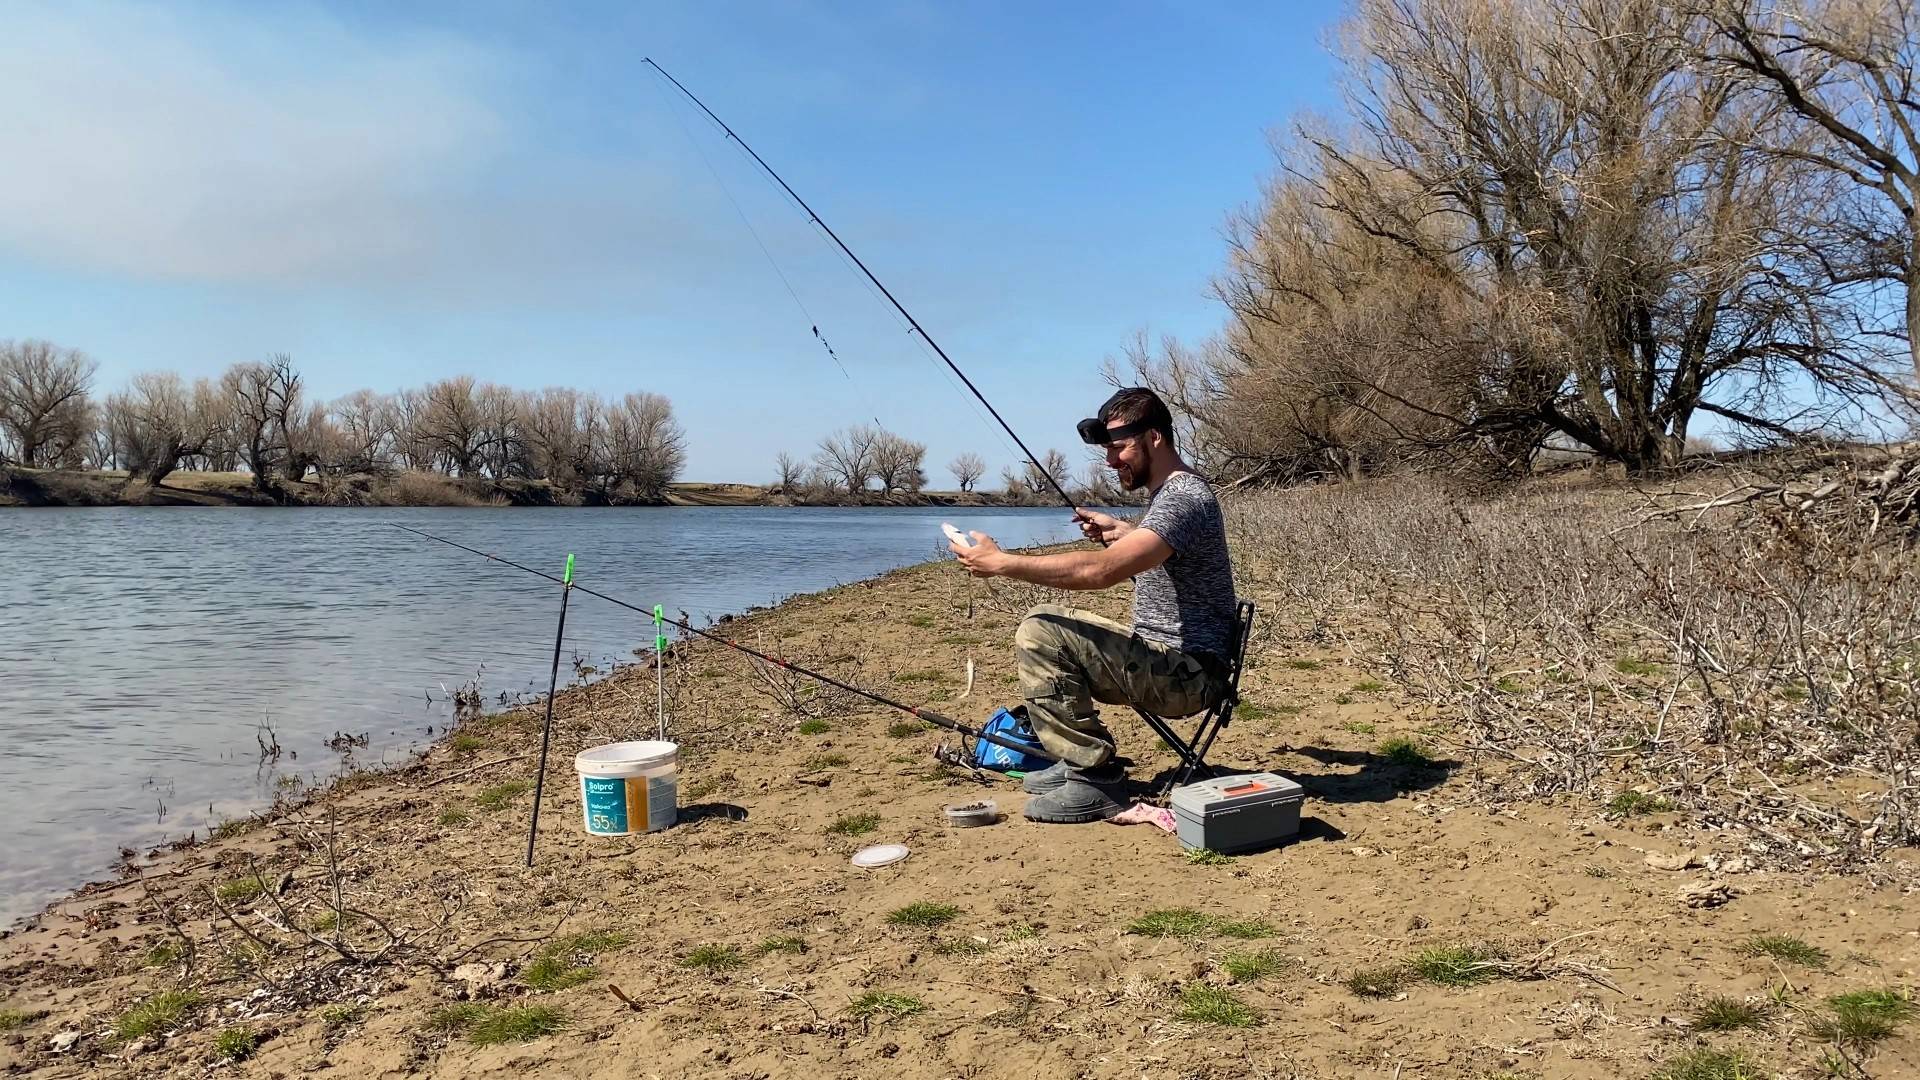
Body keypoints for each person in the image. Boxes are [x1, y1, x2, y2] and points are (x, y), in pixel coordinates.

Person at [947, 387, 1237, 823]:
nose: (1110, 461)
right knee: (1045, 625)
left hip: (1188, 677)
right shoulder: (1172, 496)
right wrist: (1123, 532)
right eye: (1107, 450)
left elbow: (1101, 573)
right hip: (1177, 665)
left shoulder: (1183, 499)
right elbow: (1164, 557)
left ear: (1155, 438)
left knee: (1040, 629)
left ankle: (1095, 776)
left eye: (1119, 448)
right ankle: (1077, 761)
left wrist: (1001, 562)